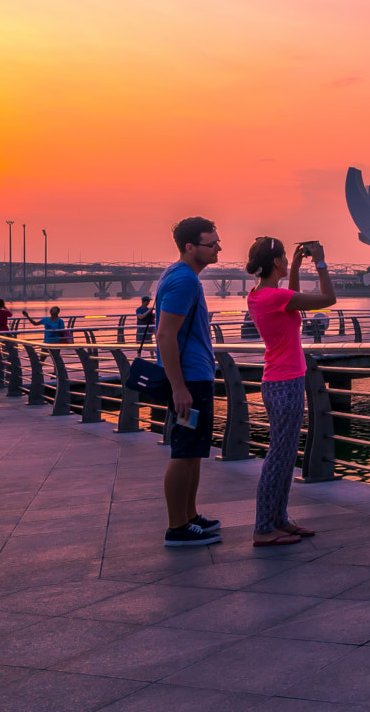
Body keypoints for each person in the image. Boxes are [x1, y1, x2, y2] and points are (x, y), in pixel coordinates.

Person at [244, 237, 335, 547]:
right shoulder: (274, 297)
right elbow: (327, 298)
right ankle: (263, 527)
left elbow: (290, 295)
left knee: (283, 455)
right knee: (278, 457)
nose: (286, 260)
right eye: (284, 257)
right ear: (276, 263)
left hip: (278, 381)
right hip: (285, 383)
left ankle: (279, 520)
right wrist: (320, 262)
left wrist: (295, 266)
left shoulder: (259, 294)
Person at [156, 216, 224, 548]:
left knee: (195, 450)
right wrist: (179, 387)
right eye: (212, 244)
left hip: (196, 377)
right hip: (190, 381)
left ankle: (190, 516)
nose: (218, 248)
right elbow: (165, 335)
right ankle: (176, 527)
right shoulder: (184, 280)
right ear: (190, 247)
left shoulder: (179, 275)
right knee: (183, 451)